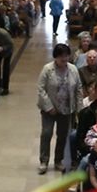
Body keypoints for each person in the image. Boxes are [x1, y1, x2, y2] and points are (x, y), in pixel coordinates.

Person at [36, 43, 80, 174]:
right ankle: (44, 161)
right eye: (61, 56)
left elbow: (78, 89)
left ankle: (58, 160)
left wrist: (79, 108)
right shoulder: (47, 69)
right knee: (46, 133)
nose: (64, 59)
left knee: (62, 135)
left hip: (66, 109)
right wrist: (49, 107)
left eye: (66, 56)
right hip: (49, 109)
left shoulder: (73, 69)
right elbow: (41, 89)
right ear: (56, 57)